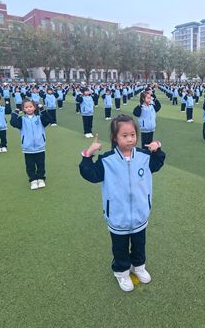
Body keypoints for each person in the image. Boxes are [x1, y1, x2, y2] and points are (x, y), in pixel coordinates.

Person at [79, 114, 166, 292]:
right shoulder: (106, 160)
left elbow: (158, 163)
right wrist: (88, 154)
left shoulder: (144, 156)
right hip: (118, 217)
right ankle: (121, 272)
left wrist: (157, 148)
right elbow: (90, 175)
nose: (130, 139)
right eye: (124, 135)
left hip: (140, 215)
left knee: (139, 244)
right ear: (115, 137)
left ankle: (138, 267)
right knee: (120, 248)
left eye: (133, 134)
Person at [10, 100, 52, 190]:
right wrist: (15, 113)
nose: (29, 109)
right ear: (23, 109)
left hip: (40, 146)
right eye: (26, 107)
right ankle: (33, 179)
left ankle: (41, 178)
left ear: (34, 107)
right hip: (27, 147)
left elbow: (49, 120)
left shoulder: (39, 118)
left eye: (30, 106)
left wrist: (43, 110)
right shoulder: (22, 120)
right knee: (30, 165)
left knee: (41, 164)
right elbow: (13, 123)